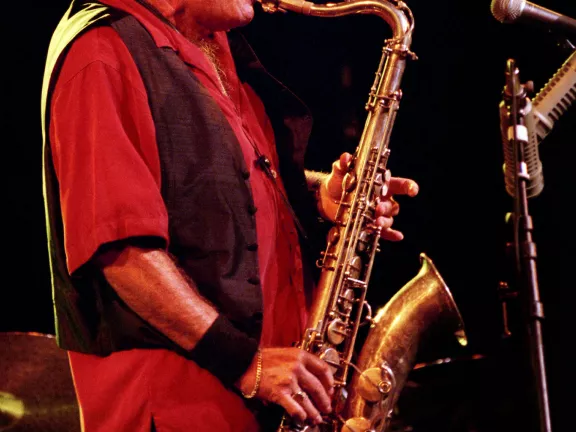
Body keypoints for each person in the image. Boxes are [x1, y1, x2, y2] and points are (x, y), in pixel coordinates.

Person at [40, 0, 419, 430]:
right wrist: (247, 364)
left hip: (269, 399)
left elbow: (226, 182)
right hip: (180, 410)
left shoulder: (215, 43)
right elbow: (122, 253)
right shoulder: (100, 52)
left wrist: (320, 197)